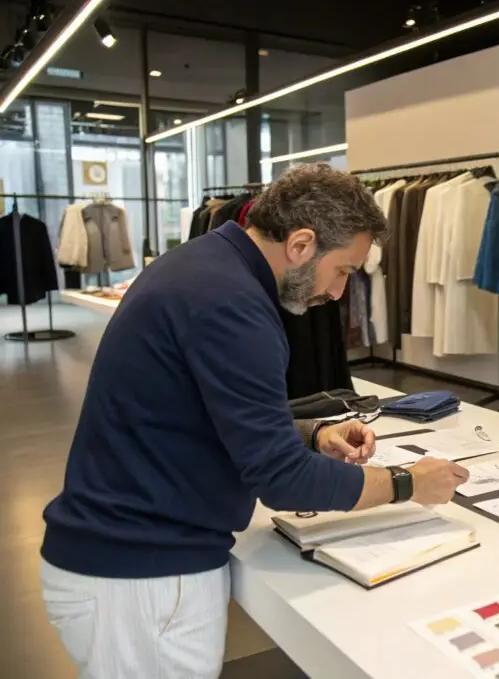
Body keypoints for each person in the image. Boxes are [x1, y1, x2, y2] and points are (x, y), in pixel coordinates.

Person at [39, 164, 469, 678]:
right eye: (343, 272)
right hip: (141, 580)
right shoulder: (233, 304)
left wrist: (311, 432)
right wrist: (409, 483)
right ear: (302, 244)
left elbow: (206, 411)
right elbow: (282, 480)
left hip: (126, 561)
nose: (336, 295)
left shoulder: (205, 267)